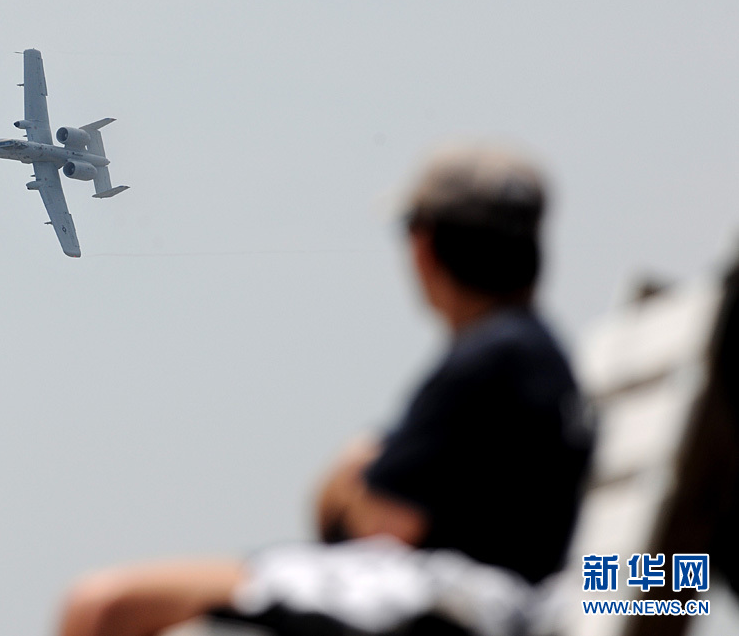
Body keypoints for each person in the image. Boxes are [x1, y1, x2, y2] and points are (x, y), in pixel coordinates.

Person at [57, 144, 592, 636]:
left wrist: (350, 477)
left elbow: (383, 525)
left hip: (451, 607)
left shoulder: (488, 361)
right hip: (491, 598)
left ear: (423, 247)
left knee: (102, 606)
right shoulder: (535, 357)